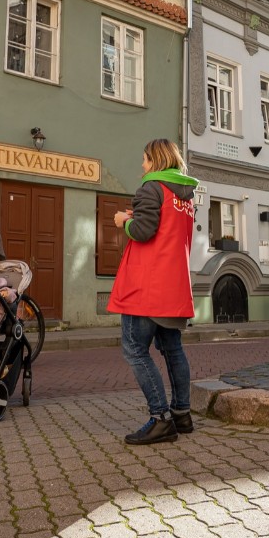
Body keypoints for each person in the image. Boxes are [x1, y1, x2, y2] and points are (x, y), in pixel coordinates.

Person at [107, 139, 199, 445]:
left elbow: (144, 231)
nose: (143, 165)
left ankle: (160, 419)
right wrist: (137, 217)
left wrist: (124, 222)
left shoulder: (151, 187)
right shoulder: (184, 195)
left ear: (156, 160)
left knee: (135, 350)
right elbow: (166, 230)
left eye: (145, 159)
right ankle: (182, 413)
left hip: (146, 286)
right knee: (173, 350)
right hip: (173, 286)